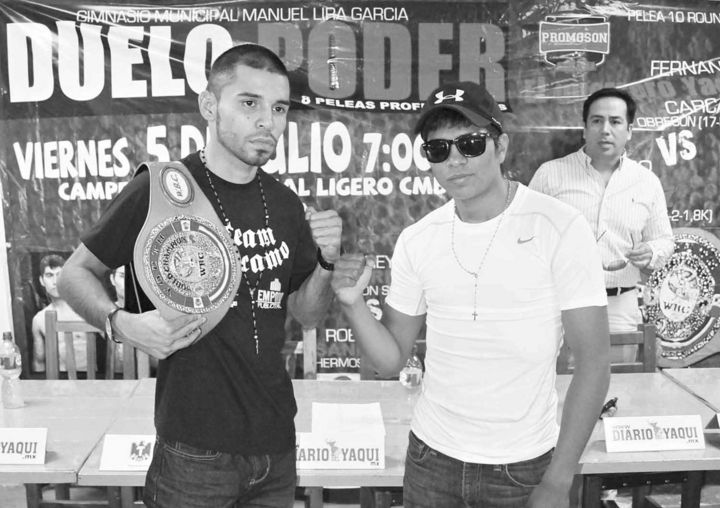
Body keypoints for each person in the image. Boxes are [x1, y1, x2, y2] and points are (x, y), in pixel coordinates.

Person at [58, 43, 342, 508]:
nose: (267, 121)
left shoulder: (286, 204)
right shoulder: (161, 188)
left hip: (275, 443)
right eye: (249, 103)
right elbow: (74, 274)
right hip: (194, 451)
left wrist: (327, 262)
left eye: (279, 108)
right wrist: (121, 323)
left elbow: (306, 314)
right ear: (209, 106)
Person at [331, 81, 611, 507]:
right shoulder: (418, 239)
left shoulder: (559, 227)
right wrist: (353, 305)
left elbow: (594, 363)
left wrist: (558, 481)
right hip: (431, 461)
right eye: (438, 149)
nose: (455, 160)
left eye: (470, 144)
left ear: (501, 147)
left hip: (522, 467)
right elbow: (388, 361)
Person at [530, 88, 674, 341]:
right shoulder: (550, 174)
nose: (605, 130)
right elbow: (525, 234)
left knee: (622, 368)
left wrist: (651, 252)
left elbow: (664, 240)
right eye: (597, 121)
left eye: (615, 121)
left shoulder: (647, 182)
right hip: (559, 302)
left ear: (629, 130)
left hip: (620, 304)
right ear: (584, 128)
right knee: (554, 367)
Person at [31, 254, 91, 373]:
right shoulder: (39, 320)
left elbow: (114, 350)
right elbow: (39, 362)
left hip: (91, 380)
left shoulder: (87, 311)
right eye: (49, 275)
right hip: (59, 382)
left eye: (60, 275)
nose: (55, 281)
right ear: (41, 281)